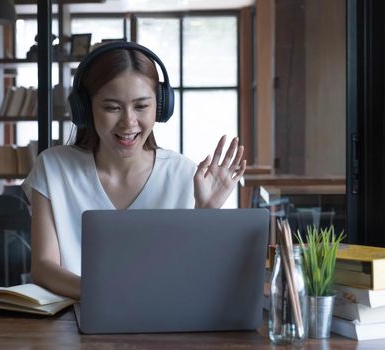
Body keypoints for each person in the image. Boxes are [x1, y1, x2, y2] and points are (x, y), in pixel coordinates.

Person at [22, 42, 246, 300]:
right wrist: (107, 294)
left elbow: (195, 276)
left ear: (160, 108)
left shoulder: (185, 174)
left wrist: (207, 213)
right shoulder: (53, 168)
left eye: (141, 107)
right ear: (84, 109)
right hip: (73, 320)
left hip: (160, 323)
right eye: (112, 107)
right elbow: (43, 268)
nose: (128, 122)